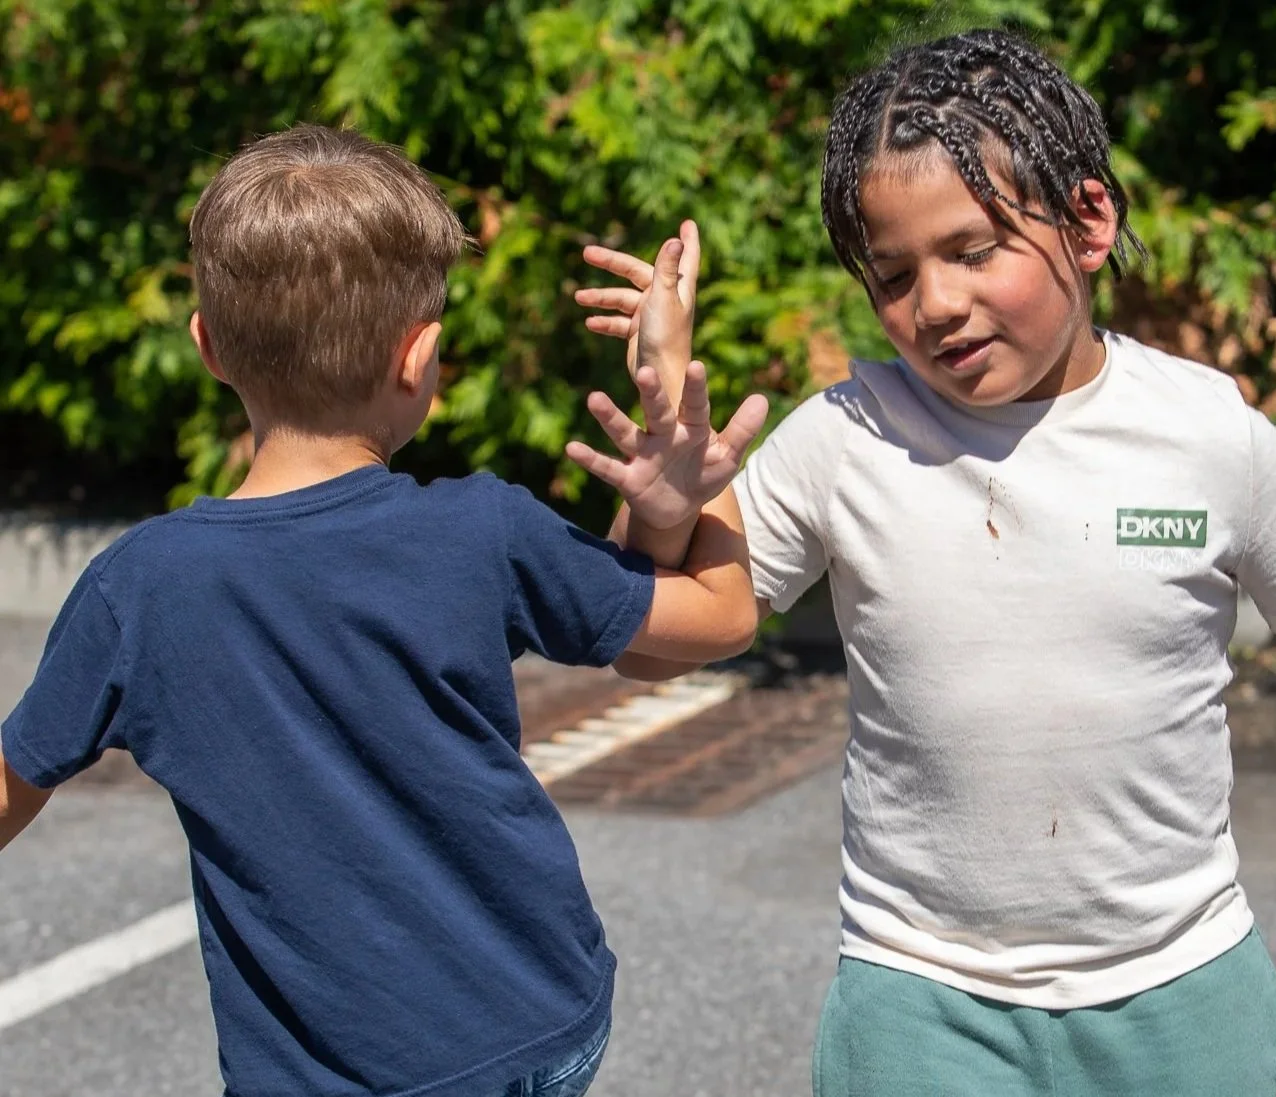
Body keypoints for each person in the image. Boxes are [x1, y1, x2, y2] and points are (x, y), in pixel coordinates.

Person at [573, 27, 1276, 1097]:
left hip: (1182, 984)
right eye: (891, 274)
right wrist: (663, 514)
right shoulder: (844, 439)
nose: (933, 303)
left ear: (1086, 220)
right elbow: (654, 650)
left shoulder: (1207, 436)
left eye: (972, 249)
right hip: (917, 998)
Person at [0, 123, 764, 1097]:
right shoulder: (481, 529)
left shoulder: (138, 585)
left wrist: (656, 506)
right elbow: (714, 615)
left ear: (206, 347)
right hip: (537, 1019)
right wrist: (683, 446)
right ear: (422, 357)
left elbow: (10, 783)